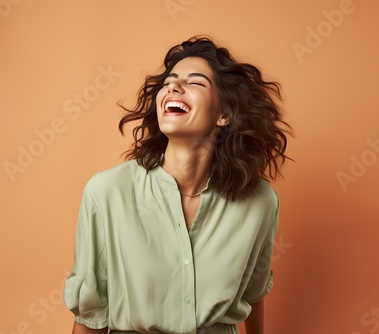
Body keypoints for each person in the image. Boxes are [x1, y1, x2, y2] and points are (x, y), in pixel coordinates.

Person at [64, 36, 292, 334]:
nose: (173, 87)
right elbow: (91, 312)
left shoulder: (260, 202)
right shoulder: (108, 193)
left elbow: (253, 295)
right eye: (169, 82)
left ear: (224, 114)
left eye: (195, 82)